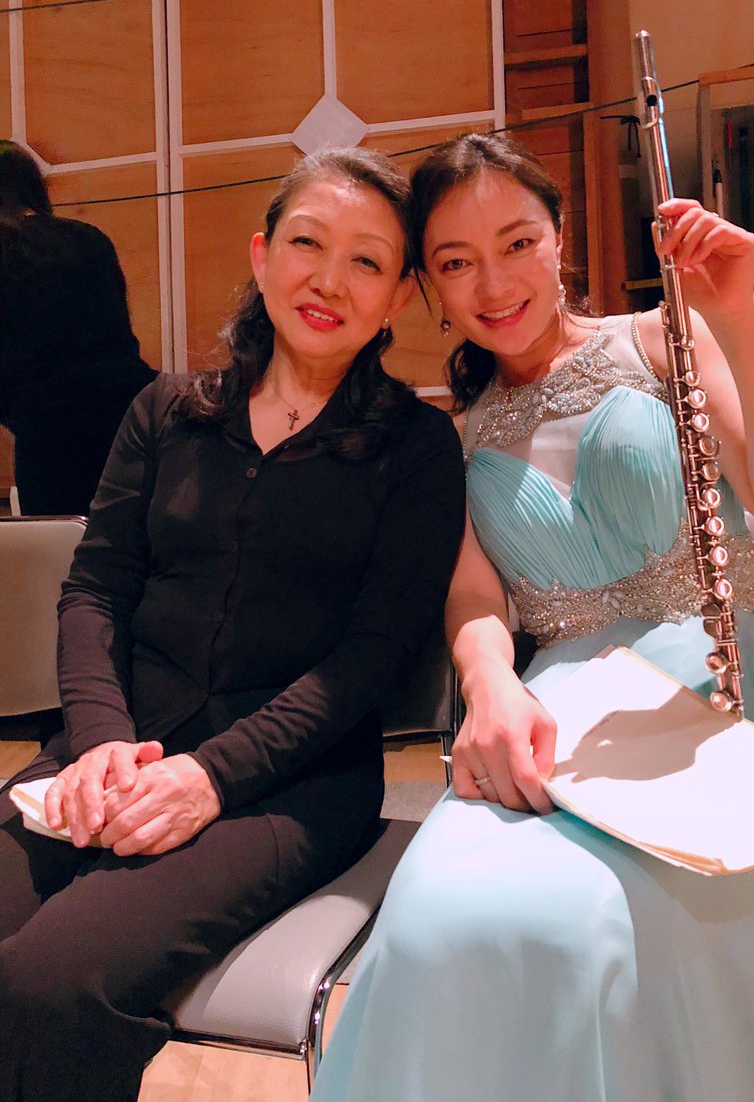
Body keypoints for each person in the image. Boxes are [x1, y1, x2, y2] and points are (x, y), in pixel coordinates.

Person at [310, 134, 754, 1102]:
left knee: (613, 923)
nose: (494, 283)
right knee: (435, 911)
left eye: (517, 243)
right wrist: (488, 684)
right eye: (456, 263)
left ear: (559, 238)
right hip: (560, 713)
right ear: (429, 287)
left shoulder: (666, 338)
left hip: (723, 684)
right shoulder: (454, 435)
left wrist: (738, 317)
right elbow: (474, 597)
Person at [0, 147, 467, 1102]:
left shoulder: (416, 448)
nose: (328, 280)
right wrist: (101, 743)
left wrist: (209, 776)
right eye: (307, 243)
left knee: (49, 983)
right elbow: (96, 591)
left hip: (289, 786)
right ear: (262, 255)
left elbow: (372, 655)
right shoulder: (166, 412)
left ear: (397, 298)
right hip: (112, 751)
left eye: (367, 261)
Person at [0, 140, 157, 516]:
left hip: (48, 434)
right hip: (129, 413)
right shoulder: (88, 238)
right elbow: (120, 336)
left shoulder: (5, 251)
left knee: (66, 544)